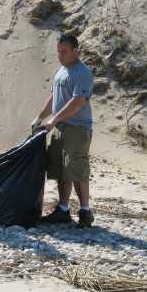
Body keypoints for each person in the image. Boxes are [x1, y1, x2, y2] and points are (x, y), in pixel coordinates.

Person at [32, 34, 94, 227]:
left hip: (77, 128)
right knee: (60, 170)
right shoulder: (61, 71)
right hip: (59, 128)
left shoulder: (82, 72)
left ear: (76, 50)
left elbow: (77, 101)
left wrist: (55, 118)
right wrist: (40, 117)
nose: (60, 55)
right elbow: (54, 97)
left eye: (64, 51)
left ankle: (85, 212)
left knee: (77, 169)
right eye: (58, 51)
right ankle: (63, 210)